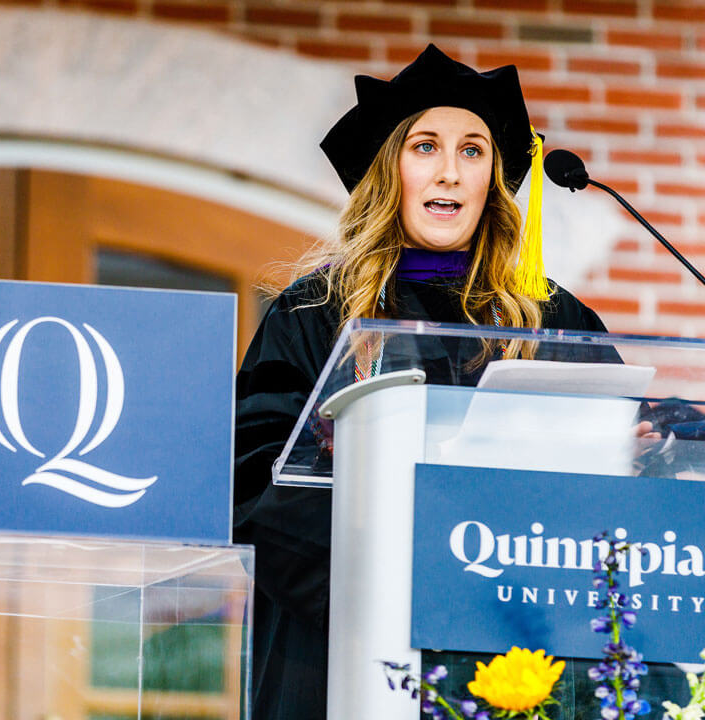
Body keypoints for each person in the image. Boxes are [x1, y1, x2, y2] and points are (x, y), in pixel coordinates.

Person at [232, 45, 609, 719]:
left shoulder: (550, 319)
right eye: (425, 146)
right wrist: (418, 578)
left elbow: (645, 441)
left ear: (494, 176)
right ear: (389, 170)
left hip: (512, 660)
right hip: (340, 651)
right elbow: (254, 483)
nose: (450, 171)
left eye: (473, 151)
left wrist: (648, 443)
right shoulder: (316, 313)